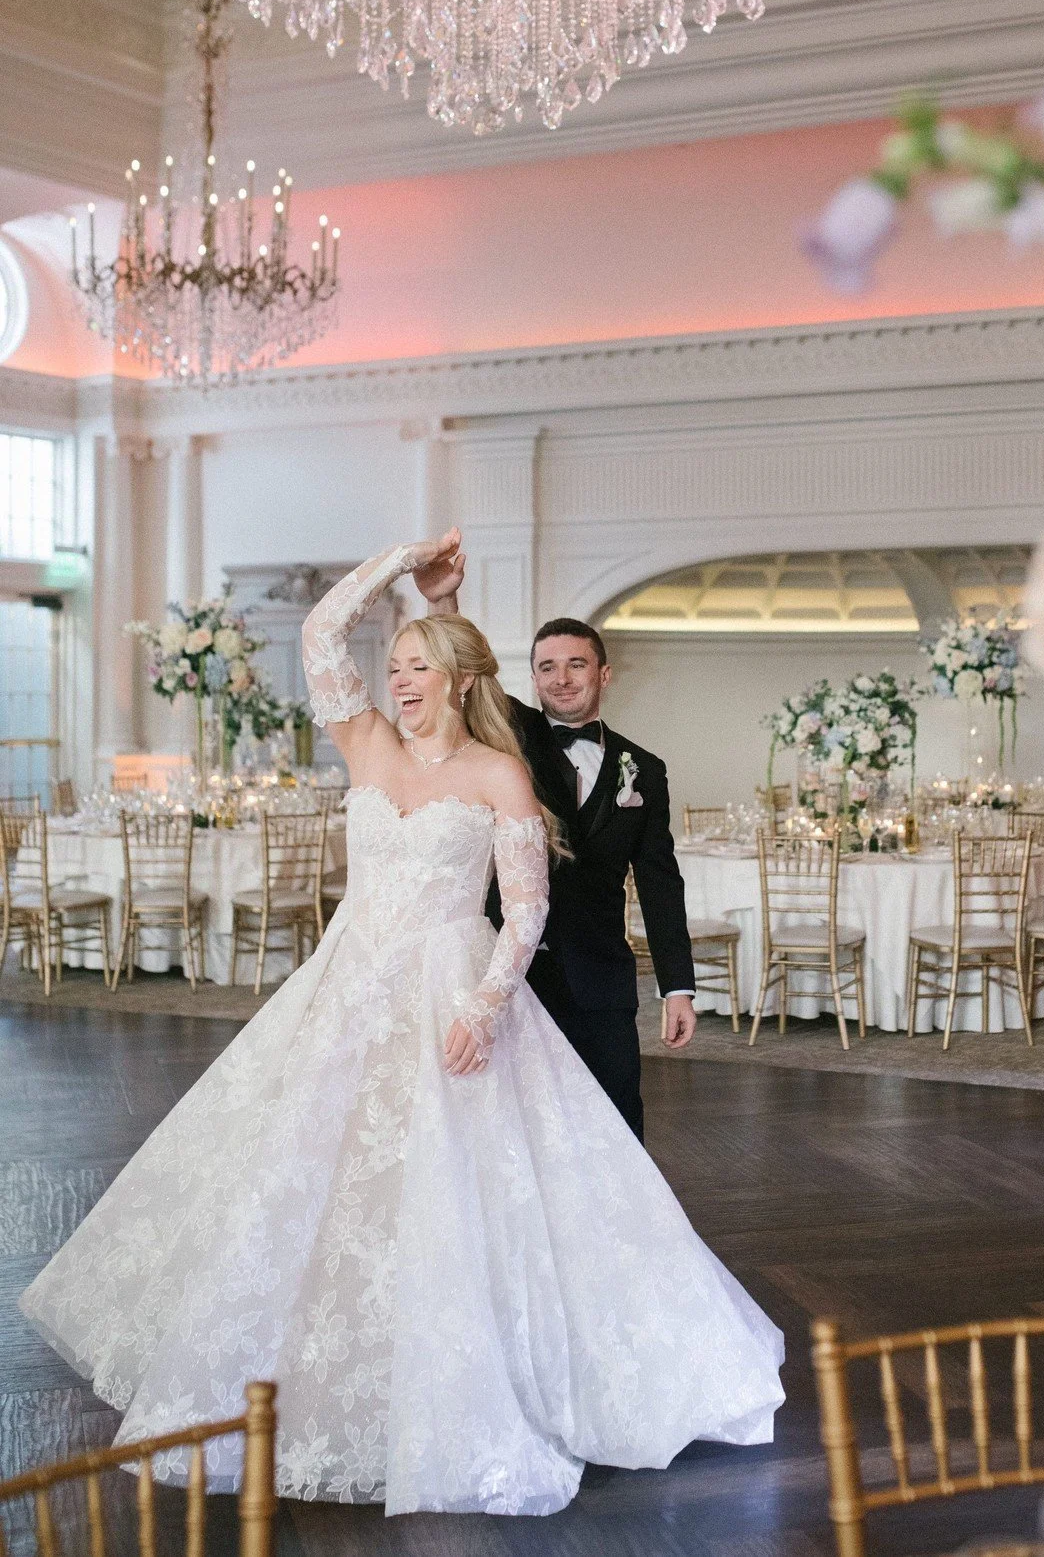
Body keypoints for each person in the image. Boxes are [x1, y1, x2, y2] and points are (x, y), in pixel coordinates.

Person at [20, 533, 783, 1517]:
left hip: (452, 986)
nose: (400, 679)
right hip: (346, 983)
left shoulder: (501, 775)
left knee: (459, 1195)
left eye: (418, 666)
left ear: (462, 680)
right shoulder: (366, 741)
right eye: (395, 667)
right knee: (301, 1180)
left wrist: (484, 1001)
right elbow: (320, 629)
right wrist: (398, 565)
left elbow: (529, 906)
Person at [417, 547, 694, 1143]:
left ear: (603, 673)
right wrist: (442, 599)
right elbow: (466, 671)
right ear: (534, 677)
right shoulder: (510, 737)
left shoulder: (643, 769)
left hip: (601, 982)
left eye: (576, 664)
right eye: (547, 667)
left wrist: (678, 987)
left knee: (616, 1126)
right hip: (511, 976)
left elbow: (660, 883)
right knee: (514, 1129)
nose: (561, 678)